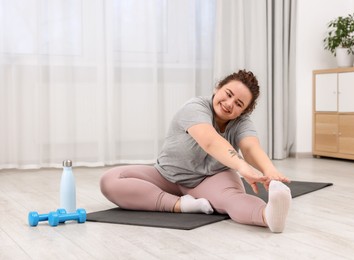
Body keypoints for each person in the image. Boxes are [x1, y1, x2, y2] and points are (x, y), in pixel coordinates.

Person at [100, 69, 292, 233]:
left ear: (244, 112)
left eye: (239, 104)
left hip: (211, 179)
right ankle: (181, 205)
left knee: (232, 198)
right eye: (228, 94)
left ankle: (267, 216)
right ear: (217, 88)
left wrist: (270, 172)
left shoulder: (241, 123)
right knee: (110, 180)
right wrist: (242, 167)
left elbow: (251, 147)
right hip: (166, 176)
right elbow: (210, 141)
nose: (229, 103)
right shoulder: (195, 107)